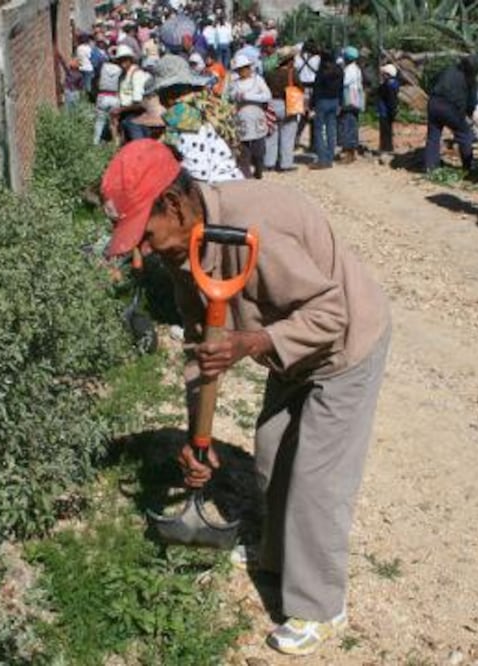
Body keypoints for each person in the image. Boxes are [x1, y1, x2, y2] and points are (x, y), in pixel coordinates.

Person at [99, 138, 391, 657]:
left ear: (172, 203)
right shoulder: (182, 244)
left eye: (143, 234)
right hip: (288, 352)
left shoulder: (253, 227)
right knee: (273, 453)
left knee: (315, 479)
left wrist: (251, 343)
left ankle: (320, 605)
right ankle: (277, 557)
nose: (143, 251)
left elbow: (331, 314)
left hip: (344, 347)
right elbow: (200, 348)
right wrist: (199, 435)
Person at [153, 54, 243, 182]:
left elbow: (199, 171)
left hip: (219, 184)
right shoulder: (202, 105)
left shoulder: (185, 119)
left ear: (169, 96)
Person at [424, 53, 478, 172]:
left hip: (434, 103)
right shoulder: (470, 80)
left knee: (433, 136)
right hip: (451, 108)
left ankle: (430, 167)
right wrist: (468, 115)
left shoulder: (449, 69)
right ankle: (468, 167)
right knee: (465, 134)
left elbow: (432, 81)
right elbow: (472, 102)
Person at [228, 53, 271, 179]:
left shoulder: (258, 80)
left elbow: (267, 96)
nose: (243, 71)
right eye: (239, 69)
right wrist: (235, 96)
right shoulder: (234, 83)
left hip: (257, 119)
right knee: (243, 150)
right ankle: (246, 175)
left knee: (259, 149)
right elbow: (229, 97)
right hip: (242, 121)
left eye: (245, 68)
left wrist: (249, 97)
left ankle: (258, 170)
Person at [263, 46, 299, 172]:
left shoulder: (270, 73)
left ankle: (269, 163)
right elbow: (299, 88)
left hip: (272, 104)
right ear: (289, 60)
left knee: (271, 134)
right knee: (288, 135)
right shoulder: (292, 73)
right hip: (288, 104)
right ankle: (285, 164)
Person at [310, 51, 343, 170]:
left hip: (322, 101)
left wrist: (311, 105)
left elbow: (316, 89)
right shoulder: (339, 71)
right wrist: (341, 103)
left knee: (319, 131)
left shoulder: (321, 71)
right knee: (331, 129)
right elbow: (341, 88)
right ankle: (329, 158)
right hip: (335, 101)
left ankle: (322, 159)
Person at [113, 44, 153, 143]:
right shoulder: (122, 76)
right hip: (125, 115)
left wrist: (120, 110)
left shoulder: (136, 74)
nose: (122, 63)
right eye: (120, 60)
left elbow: (138, 103)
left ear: (130, 59)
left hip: (135, 115)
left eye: (125, 59)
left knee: (138, 145)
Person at [339, 46, 364, 164]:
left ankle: (349, 152)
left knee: (348, 124)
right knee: (351, 123)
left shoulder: (350, 70)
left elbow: (344, 82)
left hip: (349, 100)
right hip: (356, 100)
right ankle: (350, 149)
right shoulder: (357, 69)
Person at [294, 41, 320, 150]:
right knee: (313, 115)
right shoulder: (317, 59)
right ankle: (313, 143)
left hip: (301, 88)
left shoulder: (298, 59)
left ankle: (295, 139)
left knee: (301, 115)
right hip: (313, 88)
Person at [94, 46, 123, 144]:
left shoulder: (102, 66)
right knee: (114, 123)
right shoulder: (120, 69)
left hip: (102, 95)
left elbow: (96, 78)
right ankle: (115, 143)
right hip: (114, 96)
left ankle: (96, 143)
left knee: (99, 121)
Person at [376, 63, 400, 154]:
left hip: (385, 111)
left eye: (384, 73)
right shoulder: (394, 84)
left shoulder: (388, 86)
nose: (382, 75)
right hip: (388, 111)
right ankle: (387, 147)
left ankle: (385, 148)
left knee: (385, 131)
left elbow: (391, 100)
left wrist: (392, 111)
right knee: (387, 131)